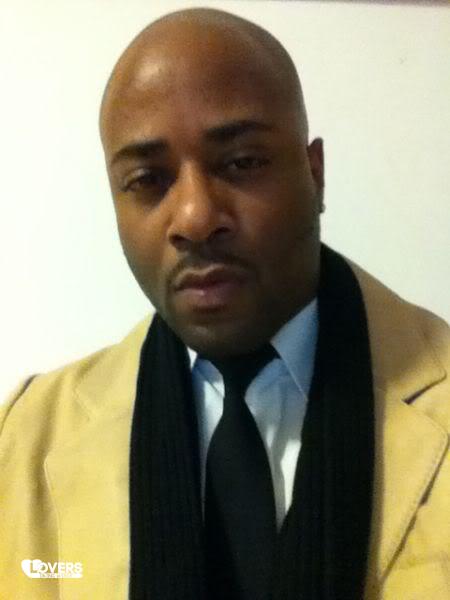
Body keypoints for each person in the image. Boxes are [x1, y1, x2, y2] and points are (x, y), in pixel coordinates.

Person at [1, 8, 449, 600]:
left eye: (241, 163)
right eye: (148, 180)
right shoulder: (24, 439)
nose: (194, 217)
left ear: (315, 174)